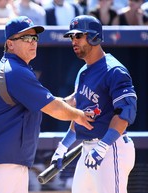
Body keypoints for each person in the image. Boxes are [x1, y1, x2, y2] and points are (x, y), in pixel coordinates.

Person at [0, 15, 94, 193]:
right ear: (10, 44)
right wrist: (81, 116)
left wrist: (75, 98)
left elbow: (52, 102)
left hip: (13, 161)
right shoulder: (14, 70)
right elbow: (54, 108)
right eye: (26, 38)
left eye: (34, 38)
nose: (32, 42)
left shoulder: (20, 69)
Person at [51, 15, 137, 193]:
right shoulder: (83, 71)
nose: (73, 41)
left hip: (112, 147)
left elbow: (124, 114)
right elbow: (81, 115)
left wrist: (103, 146)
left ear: (94, 37)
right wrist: (63, 146)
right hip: (88, 148)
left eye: (78, 36)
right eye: (71, 37)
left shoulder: (114, 70)